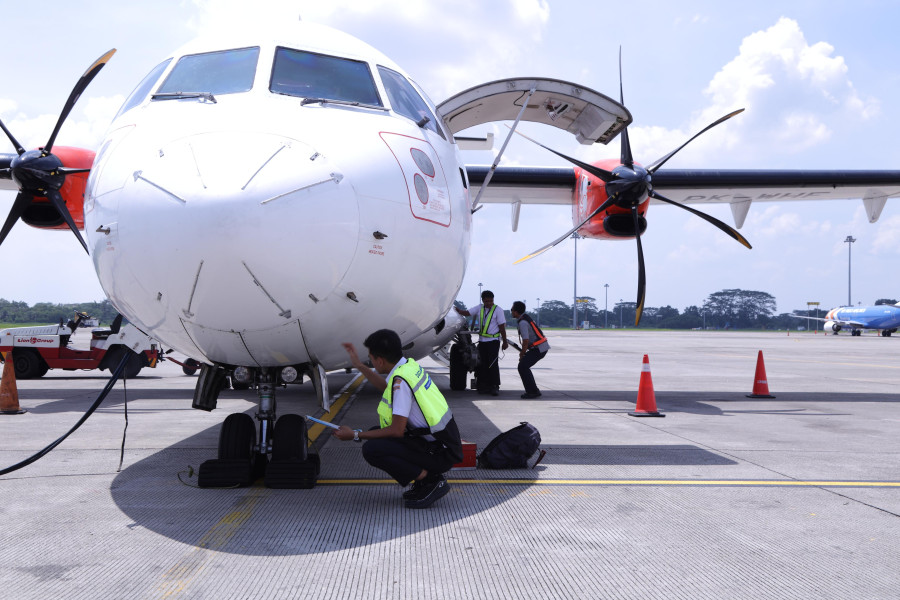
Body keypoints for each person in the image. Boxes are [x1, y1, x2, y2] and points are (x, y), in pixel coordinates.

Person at [337, 329, 463, 509]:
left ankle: (430, 480)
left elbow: (396, 430)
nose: (371, 362)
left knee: (371, 449)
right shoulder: (408, 368)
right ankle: (424, 479)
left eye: (371, 359)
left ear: (380, 360)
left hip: (439, 454)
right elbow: (386, 387)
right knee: (375, 434)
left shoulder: (401, 382)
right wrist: (359, 365)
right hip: (444, 445)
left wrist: (355, 435)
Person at [454, 290, 508, 396]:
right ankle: (483, 385)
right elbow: (467, 313)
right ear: (482, 300)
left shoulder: (498, 310)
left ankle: (494, 386)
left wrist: (505, 342)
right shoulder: (479, 308)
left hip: (493, 341)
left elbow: (502, 327)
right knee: (483, 364)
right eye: (487, 301)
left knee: (492, 364)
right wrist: (458, 311)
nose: (489, 303)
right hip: (483, 341)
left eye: (491, 301)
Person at [510, 301, 550, 399]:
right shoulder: (525, 318)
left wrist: (522, 354)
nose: (511, 312)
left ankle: (532, 391)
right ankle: (534, 390)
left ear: (516, 312)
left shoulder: (523, 323)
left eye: (512, 310)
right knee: (524, 366)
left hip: (539, 349)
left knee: (522, 367)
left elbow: (526, 340)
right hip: (540, 347)